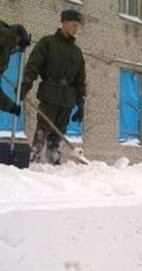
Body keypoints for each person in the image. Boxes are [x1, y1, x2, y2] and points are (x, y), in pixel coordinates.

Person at [20, 9, 84, 165]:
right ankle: (34, 160)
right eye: (74, 25)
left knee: (58, 133)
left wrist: (81, 103)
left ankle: (54, 162)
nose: (76, 29)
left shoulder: (77, 52)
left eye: (78, 26)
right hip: (49, 94)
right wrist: (26, 84)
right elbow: (33, 65)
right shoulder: (47, 43)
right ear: (64, 23)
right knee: (43, 129)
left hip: (67, 99)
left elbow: (80, 80)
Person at [0, 21, 30, 116]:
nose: (16, 49)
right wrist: (10, 106)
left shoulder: (3, 35)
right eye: (17, 46)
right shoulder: (3, 50)